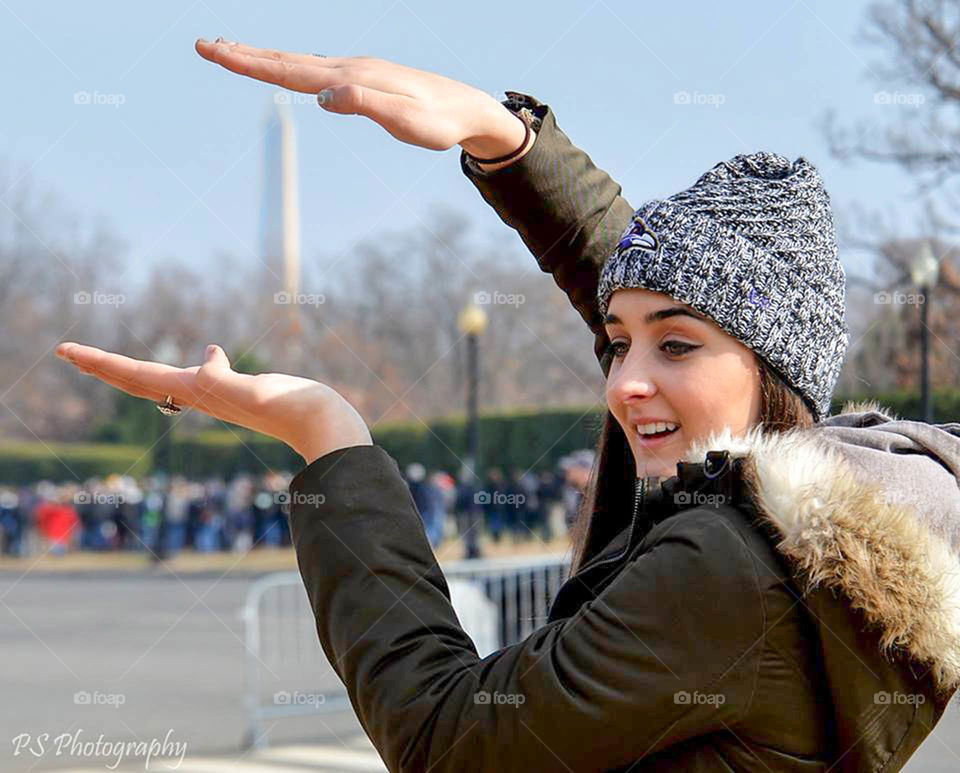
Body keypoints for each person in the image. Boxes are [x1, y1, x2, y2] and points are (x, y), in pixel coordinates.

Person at [51, 41, 960, 772]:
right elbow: (679, 289)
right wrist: (507, 140)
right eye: (616, 340)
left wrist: (330, 438)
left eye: (673, 345)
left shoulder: (725, 568)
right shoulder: (857, 502)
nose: (624, 380)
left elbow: (443, 736)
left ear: (772, 369)